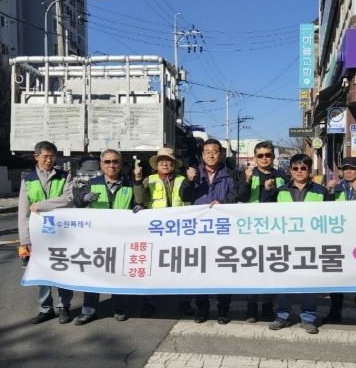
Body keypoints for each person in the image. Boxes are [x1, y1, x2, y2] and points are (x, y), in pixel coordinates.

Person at [72, 149, 146, 325]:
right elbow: (77, 201)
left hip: (121, 239)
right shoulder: (92, 183)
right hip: (97, 239)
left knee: (119, 273)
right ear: (101, 165)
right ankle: (88, 311)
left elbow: (140, 202)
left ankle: (119, 308)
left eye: (115, 161)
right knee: (93, 274)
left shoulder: (129, 184)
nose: (111, 165)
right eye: (107, 162)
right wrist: (84, 197)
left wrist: (140, 206)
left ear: (120, 164)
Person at [269, 153, 333, 335]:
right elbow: (267, 214)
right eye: (295, 168)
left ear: (309, 170)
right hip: (285, 244)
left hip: (311, 244)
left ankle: (308, 317)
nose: (299, 171)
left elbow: (330, 216)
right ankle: (282, 316)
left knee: (309, 282)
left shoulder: (321, 191)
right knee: (284, 282)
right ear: (290, 170)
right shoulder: (280, 191)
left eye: (303, 168)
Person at [180, 138, 239, 324]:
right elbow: (185, 196)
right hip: (200, 230)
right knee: (201, 270)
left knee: (224, 270)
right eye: (207, 152)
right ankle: (202, 309)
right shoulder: (194, 173)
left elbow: (236, 194)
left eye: (215, 151)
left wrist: (223, 203)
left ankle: (223, 310)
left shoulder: (230, 174)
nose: (211, 155)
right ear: (202, 155)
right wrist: (189, 181)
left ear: (220, 154)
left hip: (223, 230)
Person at [18, 141, 74, 325]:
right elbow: (23, 211)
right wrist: (25, 239)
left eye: (52, 156)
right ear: (36, 157)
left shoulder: (64, 176)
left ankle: (64, 306)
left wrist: (40, 205)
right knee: (42, 272)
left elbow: (68, 199)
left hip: (62, 233)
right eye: (45, 157)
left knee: (63, 269)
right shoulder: (28, 179)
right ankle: (45, 308)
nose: (49, 160)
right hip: (38, 235)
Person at [237, 141, 285, 323]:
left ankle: (267, 307)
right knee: (252, 270)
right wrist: (247, 180)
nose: (264, 158)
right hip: (252, 230)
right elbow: (240, 197)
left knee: (271, 270)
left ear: (273, 157)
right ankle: (251, 308)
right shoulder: (248, 174)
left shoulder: (282, 176)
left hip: (274, 230)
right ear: (255, 158)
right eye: (260, 155)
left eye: (268, 155)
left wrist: (270, 191)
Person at [143, 147, 195, 317]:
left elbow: (189, 197)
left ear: (174, 164)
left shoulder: (183, 180)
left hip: (180, 232)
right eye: (161, 161)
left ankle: (184, 302)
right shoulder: (148, 180)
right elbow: (141, 200)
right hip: (156, 232)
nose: (165, 164)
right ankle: (150, 303)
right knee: (153, 268)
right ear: (157, 164)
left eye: (169, 161)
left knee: (182, 267)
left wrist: (191, 181)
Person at [323, 156, 356, 330]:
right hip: (339, 240)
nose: (349, 171)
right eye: (345, 168)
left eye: (353, 168)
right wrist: (328, 191)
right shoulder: (336, 188)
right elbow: (324, 211)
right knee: (337, 279)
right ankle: (334, 312)